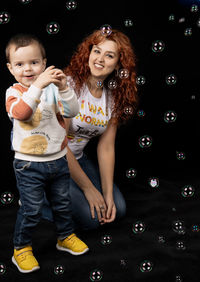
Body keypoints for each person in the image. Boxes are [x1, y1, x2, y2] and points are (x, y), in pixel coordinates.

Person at [5, 33, 89, 274]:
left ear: (44, 63)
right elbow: (22, 113)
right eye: (20, 64)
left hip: (58, 160)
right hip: (28, 165)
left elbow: (72, 110)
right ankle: (21, 249)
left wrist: (63, 88)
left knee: (62, 204)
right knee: (31, 210)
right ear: (11, 68)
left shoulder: (53, 88)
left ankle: (65, 237)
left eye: (34, 62)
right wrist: (39, 85)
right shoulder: (13, 93)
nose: (28, 69)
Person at [42, 28, 138, 230]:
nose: (100, 59)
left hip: (76, 159)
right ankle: (36, 198)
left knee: (117, 209)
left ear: (119, 63)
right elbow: (59, 144)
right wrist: (88, 189)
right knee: (91, 219)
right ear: (88, 53)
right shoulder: (67, 86)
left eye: (109, 55)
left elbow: (106, 147)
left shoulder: (112, 98)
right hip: (50, 162)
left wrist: (107, 193)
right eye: (96, 51)